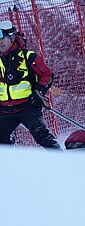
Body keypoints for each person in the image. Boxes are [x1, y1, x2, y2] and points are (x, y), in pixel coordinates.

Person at [0, 20, 61, 149]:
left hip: (27, 106)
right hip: (5, 110)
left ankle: (61, 160)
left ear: (12, 37)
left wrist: (39, 91)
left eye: (3, 38)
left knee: (41, 135)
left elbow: (47, 75)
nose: (0, 42)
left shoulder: (28, 57)